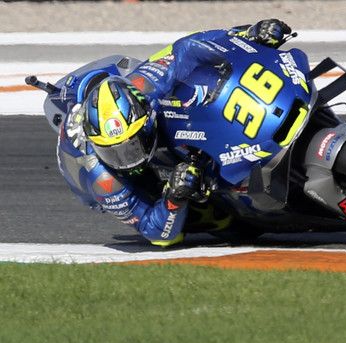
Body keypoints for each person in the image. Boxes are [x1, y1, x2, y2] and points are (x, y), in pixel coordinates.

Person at [57, 19, 293, 247]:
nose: (126, 159)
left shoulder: (145, 84)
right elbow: (158, 234)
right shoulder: (103, 180)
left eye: (131, 146)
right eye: (112, 152)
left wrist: (248, 34)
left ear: (145, 117)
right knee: (213, 217)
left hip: (147, 115)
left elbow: (187, 47)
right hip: (95, 175)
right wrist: (174, 198)